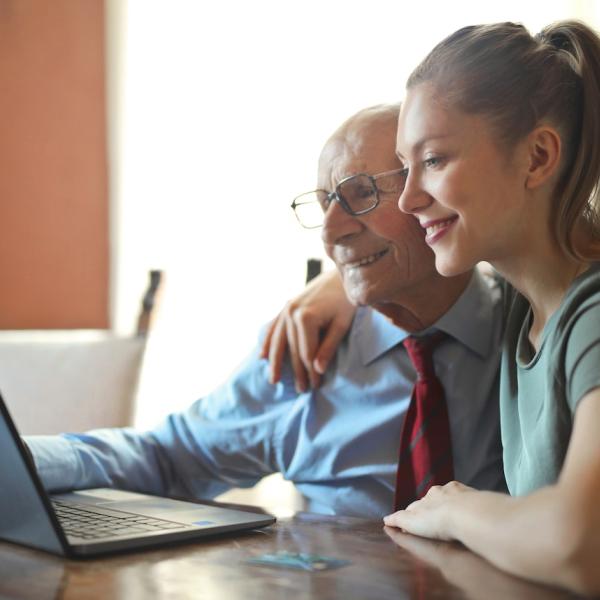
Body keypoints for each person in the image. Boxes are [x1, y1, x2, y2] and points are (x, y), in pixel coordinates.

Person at [24, 104, 505, 518]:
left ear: (433, 187)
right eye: (324, 204)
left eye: (361, 192)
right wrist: (24, 459)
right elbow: (168, 457)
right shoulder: (305, 348)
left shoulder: (531, 326)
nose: (331, 231)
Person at [380, 20, 600, 595]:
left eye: (434, 160)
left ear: (536, 157)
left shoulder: (594, 316)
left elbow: (581, 545)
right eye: (405, 166)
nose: (407, 199)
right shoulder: (519, 309)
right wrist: (332, 289)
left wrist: (455, 509)